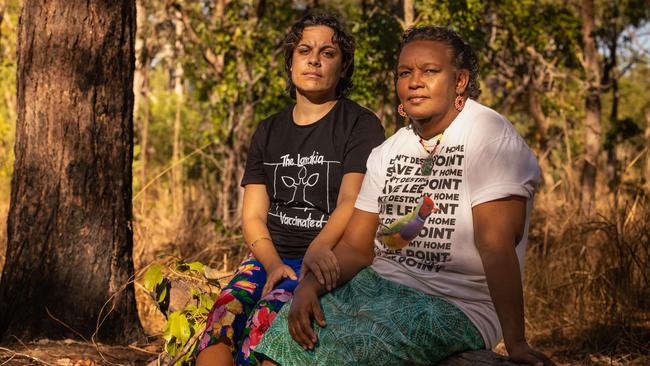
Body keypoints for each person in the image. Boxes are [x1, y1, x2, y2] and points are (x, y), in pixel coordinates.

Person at [255, 26, 556, 366]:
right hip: (376, 287)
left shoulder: (488, 134)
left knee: (349, 350)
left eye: (430, 71)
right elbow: (357, 247)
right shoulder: (390, 150)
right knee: (282, 341)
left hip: (454, 302)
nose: (414, 82)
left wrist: (516, 343)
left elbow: (496, 243)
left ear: (459, 81)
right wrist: (309, 287)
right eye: (404, 73)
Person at [195, 11, 385, 366]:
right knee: (223, 314)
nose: (314, 59)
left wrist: (316, 250)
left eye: (328, 53)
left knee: (269, 317)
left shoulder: (360, 125)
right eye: (304, 50)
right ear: (290, 62)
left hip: (328, 259)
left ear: (343, 68)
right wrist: (271, 264)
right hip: (269, 257)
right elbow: (252, 216)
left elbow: (351, 201)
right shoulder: (268, 131)